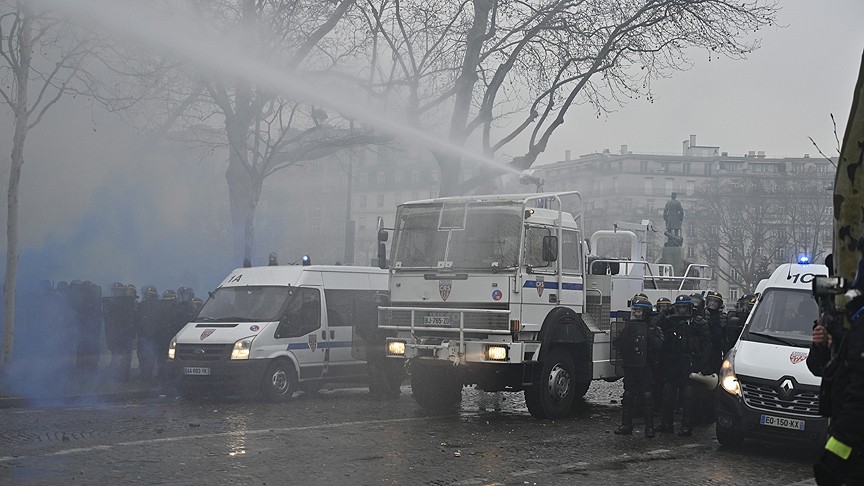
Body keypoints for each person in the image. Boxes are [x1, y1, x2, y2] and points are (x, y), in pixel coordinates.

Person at [657, 294, 711, 436]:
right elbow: (654, 324)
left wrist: (702, 364)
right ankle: (666, 424)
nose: (681, 311)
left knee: (688, 395)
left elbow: (707, 345)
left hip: (690, 360)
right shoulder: (670, 321)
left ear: (689, 308)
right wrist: (666, 312)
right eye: (679, 307)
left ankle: (687, 426)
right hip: (674, 361)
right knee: (668, 393)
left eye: (684, 308)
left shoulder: (699, 323)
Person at [615, 296, 664, 438]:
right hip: (631, 365)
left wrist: (647, 334)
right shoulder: (629, 326)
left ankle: (649, 427)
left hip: (646, 366)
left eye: (639, 311)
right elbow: (619, 343)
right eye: (635, 311)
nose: (636, 314)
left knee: (647, 395)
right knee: (628, 394)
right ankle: (626, 424)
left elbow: (658, 345)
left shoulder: (653, 327)